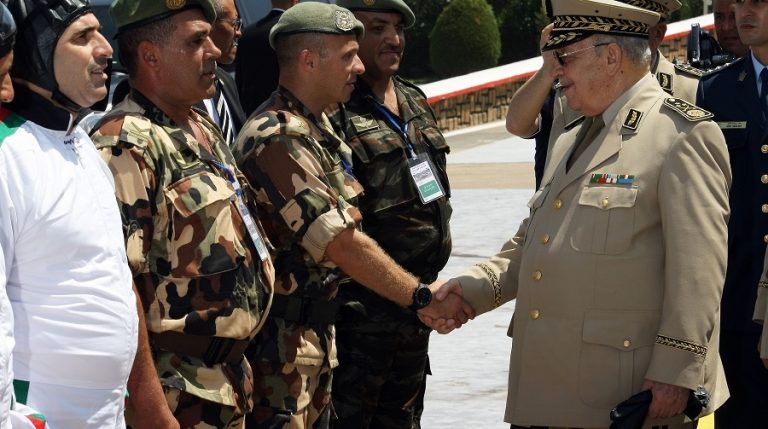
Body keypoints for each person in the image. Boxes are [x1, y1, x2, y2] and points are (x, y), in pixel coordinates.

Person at [425, 0, 732, 427]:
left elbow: (699, 272)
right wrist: (470, 291)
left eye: (565, 58)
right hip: (547, 387)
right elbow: (534, 241)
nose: (556, 72)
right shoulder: (571, 135)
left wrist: (675, 371)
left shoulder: (681, 135)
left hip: (622, 394)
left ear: (610, 58)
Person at [232, 3, 472, 428]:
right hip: (287, 352)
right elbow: (341, 242)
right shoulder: (278, 136)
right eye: (347, 56)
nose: (359, 66)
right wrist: (420, 297)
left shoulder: (319, 131)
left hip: (320, 345)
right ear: (308, 60)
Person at [90, 0, 274, 427]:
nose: (213, 50)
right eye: (196, 40)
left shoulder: (198, 124)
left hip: (227, 381)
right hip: (178, 391)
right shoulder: (126, 144)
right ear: (149, 55)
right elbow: (123, 289)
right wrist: (153, 410)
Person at [0, 0, 143, 427]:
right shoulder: (8, 153)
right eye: (82, 37)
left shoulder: (82, 141)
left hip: (107, 410)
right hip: (40, 412)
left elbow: (112, 279)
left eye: (100, 32)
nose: (106, 49)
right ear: (37, 56)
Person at [326, 0, 450, 427]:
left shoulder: (414, 98)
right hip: (362, 319)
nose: (393, 39)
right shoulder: (338, 108)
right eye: (378, 27)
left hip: (417, 310)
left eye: (398, 28)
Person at [506, 0, 700, 188]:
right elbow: (517, 124)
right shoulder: (572, 80)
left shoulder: (693, 91)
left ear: (657, 35)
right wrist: (549, 66)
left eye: (624, 19)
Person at [697, 0, 768, 427]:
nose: (745, 11)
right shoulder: (716, 91)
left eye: (758, 1)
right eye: (739, 2)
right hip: (738, 301)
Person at [235, 0, 298, 116]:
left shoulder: (246, 35)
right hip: (289, 114)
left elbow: (239, 81)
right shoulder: (293, 31)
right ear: (295, 1)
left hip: (254, 116)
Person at [205, 0, 246, 147]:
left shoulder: (225, 80)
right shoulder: (181, 92)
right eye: (234, 23)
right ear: (209, 25)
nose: (239, 32)